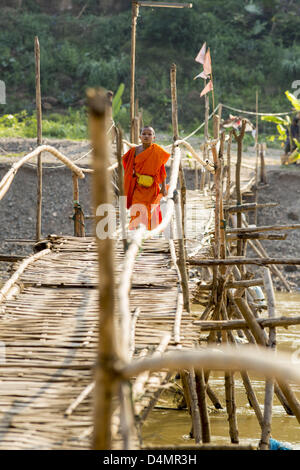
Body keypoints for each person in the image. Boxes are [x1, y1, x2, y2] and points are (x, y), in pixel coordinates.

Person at [122, 126, 170, 230]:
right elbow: (127, 164)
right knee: (136, 208)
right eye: (144, 134)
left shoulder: (157, 151)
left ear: (154, 137)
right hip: (138, 187)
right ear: (140, 136)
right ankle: (135, 233)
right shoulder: (134, 151)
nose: (146, 136)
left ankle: (148, 234)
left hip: (152, 187)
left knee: (150, 211)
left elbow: (161, 169)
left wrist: (162, 187)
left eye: (149, 134)